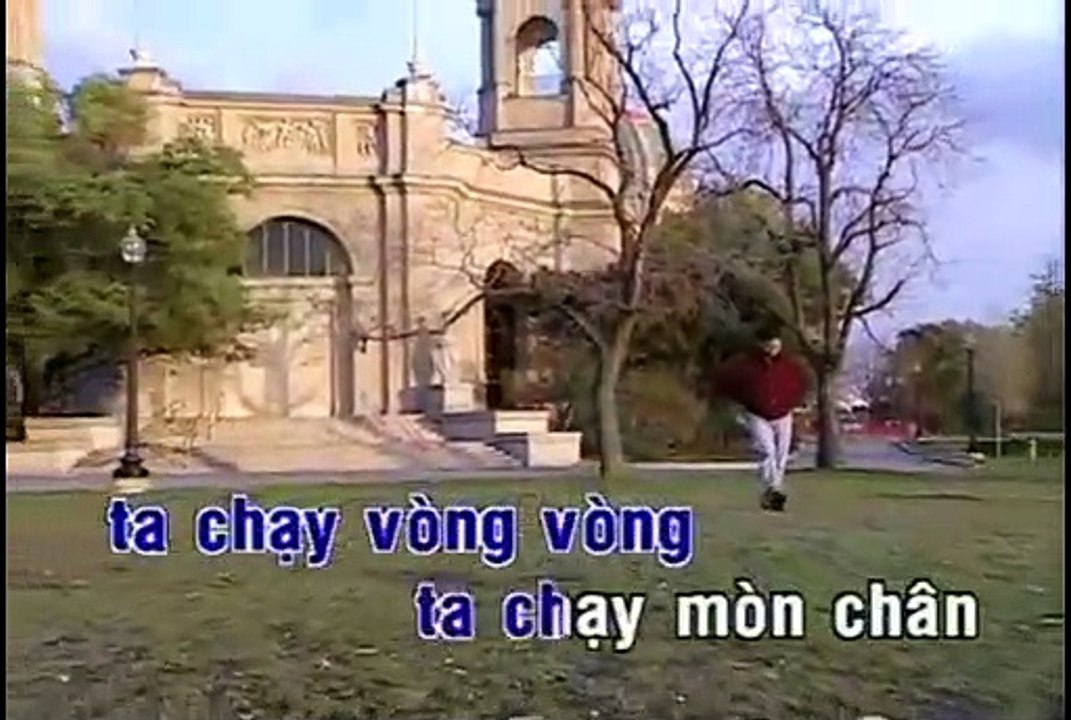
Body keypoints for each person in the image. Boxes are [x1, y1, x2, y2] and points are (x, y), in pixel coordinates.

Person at [715, 326, 808, 512]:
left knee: (781, 456)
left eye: (776, 344)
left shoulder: (789, 366)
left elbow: (800, 385)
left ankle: (773, 492)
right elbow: (727, 385)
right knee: (767, 451)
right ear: (761, 344)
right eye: (769, 345)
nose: (773, 348)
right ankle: (774, 488)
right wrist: (737, 406)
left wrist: (796, 402)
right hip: (757, 414)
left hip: (783, 414)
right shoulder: (747, 365)